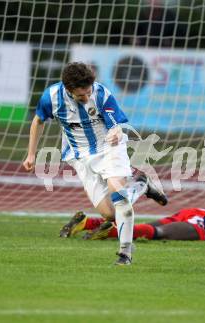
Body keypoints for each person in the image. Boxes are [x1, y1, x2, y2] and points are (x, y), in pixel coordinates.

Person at [22, 62, 167, 266]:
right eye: (81, 95)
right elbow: (38, 120)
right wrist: (31, 154)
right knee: (108, 214)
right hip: (79, 157)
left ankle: (125, 254)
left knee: (119, 196)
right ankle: (141, 185)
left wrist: (116, 131)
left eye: (88, 92)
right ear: (68, 89)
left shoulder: (100, 94)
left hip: (108, 148)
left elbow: (114, 123)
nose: (87, 97)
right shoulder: (52, 97)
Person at [59, 206, 205, 242]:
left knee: (147, 227)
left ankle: (89, 222)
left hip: (197, 212)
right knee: (159, 234)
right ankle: (111, 233)